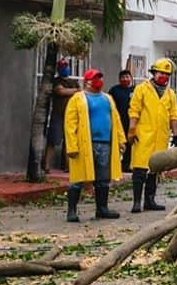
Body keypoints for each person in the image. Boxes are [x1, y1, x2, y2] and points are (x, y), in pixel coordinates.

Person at [63, 69, 125, 222]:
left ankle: (102, 209)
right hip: (85, 144)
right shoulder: (78, 98)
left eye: (100, 78)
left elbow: (116, 120)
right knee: (78, 178)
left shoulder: (108, 98)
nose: (99, 81)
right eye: (95, 78)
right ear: (87, 81)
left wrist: (121, 140)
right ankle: (72, 211)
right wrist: (72, 146)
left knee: (103, 179)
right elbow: (70, 124)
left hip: (105, 144)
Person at [127, 58, 177, 213]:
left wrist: (175, 134)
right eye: (161, 73)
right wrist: (132, 129)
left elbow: (173, 115)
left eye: (167, 74)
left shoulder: (170, 94)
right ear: (154, 73)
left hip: (160, 137)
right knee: (140, 169)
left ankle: (150, 200)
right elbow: (134, 110)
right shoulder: (142, 89)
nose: (164, 76)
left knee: (155, 170)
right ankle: (137, 202)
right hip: (143, 135)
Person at [44, 59, 79, 173]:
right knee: (53, 141)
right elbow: (60, 91)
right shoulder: (55, 81)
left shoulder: (73, 81)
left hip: (71, 116)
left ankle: (68, 167)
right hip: (58, 115)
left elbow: (79, 92)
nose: (65, 69)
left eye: (66, 66)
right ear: (59, 69)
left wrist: (70, 90)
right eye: (63, 67)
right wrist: (73, 90)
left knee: (69, 142)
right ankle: (46, 166)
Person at [108, 70, 134, 171]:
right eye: (123, 77)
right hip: (118, 121)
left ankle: (127, 165)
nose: (125, 79)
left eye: (127, 77)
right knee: (117, 144)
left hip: (131, 122)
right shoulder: (114, 90)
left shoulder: (135, 90)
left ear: (131, 78)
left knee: (130, 144)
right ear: (119, 79)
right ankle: (115, 165)